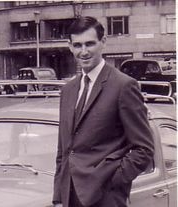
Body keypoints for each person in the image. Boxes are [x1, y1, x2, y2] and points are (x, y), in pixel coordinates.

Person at [53, 16, 154, 207]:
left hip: (105, 198)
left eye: (90, 44)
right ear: (70, 46)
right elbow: (64, 150)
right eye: (78, 45)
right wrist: (58, 197)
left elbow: (144, 149)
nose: (84, 52)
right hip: (69, 198)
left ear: (103, 42)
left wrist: (111, 181)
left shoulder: (124, 86)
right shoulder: (68, 90)